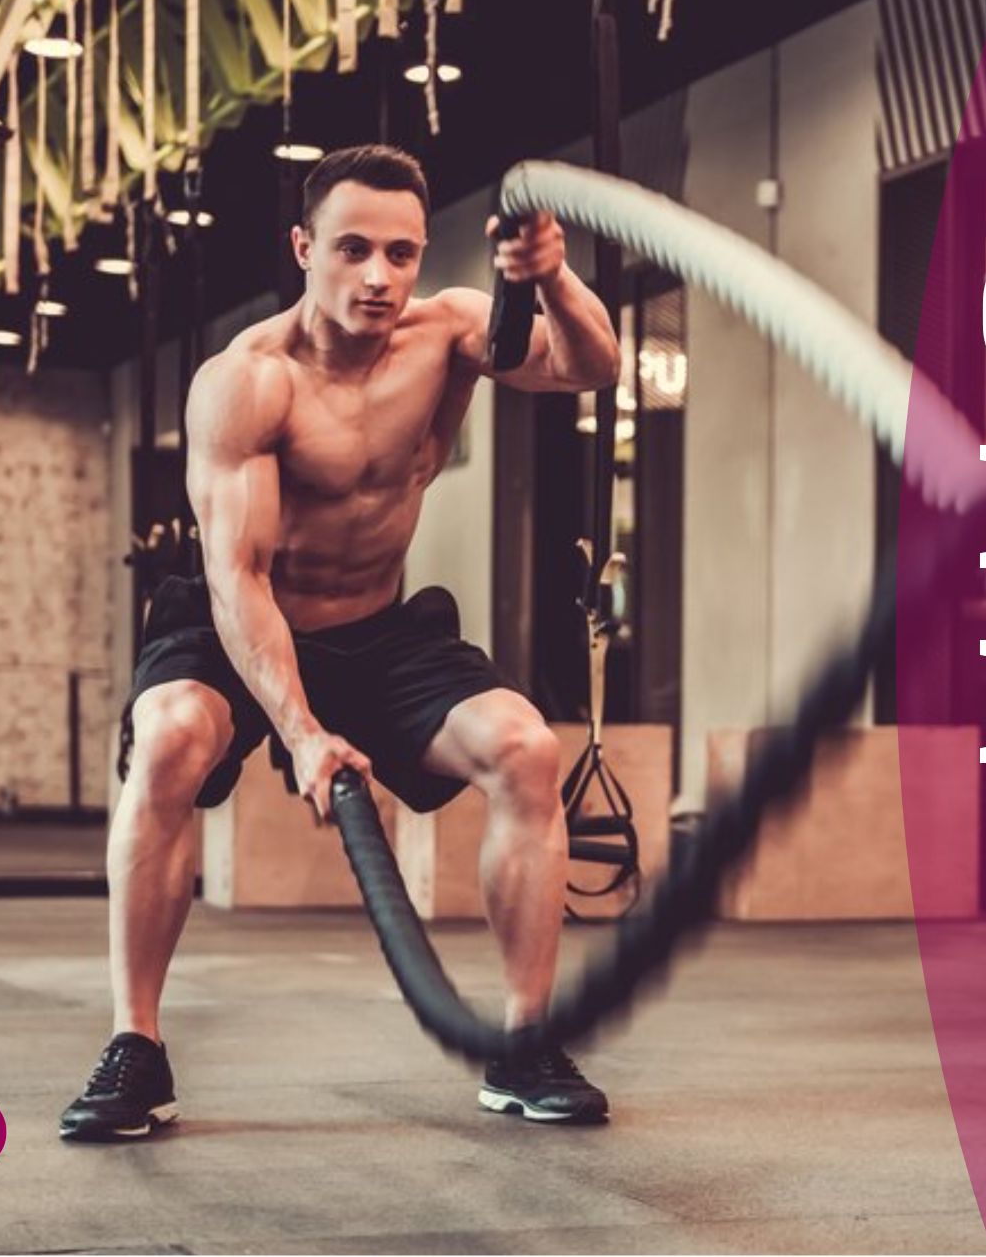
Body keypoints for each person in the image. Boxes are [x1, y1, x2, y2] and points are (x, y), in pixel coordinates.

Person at [60, 144, 621, 1141]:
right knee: (171, 740)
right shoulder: (245, 382)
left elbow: (591, 366)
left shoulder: (447, 333)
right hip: (232, 625)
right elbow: (237, 580)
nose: (379, 276)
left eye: (401, 252)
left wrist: (551, 279)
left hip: (377, 627)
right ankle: (135, 1047)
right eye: (353, 249)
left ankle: (524, 1041)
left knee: (527, 749)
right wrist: (299, 729)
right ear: (302, 247)